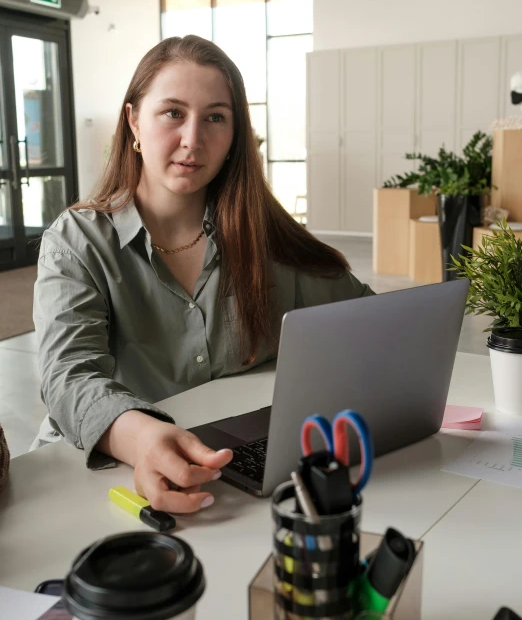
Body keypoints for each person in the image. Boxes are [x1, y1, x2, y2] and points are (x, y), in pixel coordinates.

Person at [33, 35, 374, 515]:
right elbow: (69, 377)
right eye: (172, 112)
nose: (193, 139)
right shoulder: (77, 241)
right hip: (93, 474)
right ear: (134, 121)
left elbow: (373, 321)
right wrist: (140, 435)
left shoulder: (267, 238)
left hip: (227, 476)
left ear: (236, 134)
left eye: (215, 117)